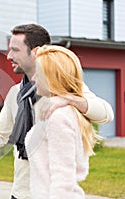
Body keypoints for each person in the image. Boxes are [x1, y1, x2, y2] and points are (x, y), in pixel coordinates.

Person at [0, 24, 114, 199]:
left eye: (15, 50)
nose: (9, 56)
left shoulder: (65, 93)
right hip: (20, 193)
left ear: (34, 52)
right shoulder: (16, 94)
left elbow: (105, 113)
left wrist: (69, 99)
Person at [26, 45, 102, 198]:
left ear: (51, 79)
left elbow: (63, 175)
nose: (33, 78)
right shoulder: (58, 110)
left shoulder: (59, 116)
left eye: (38, 74)